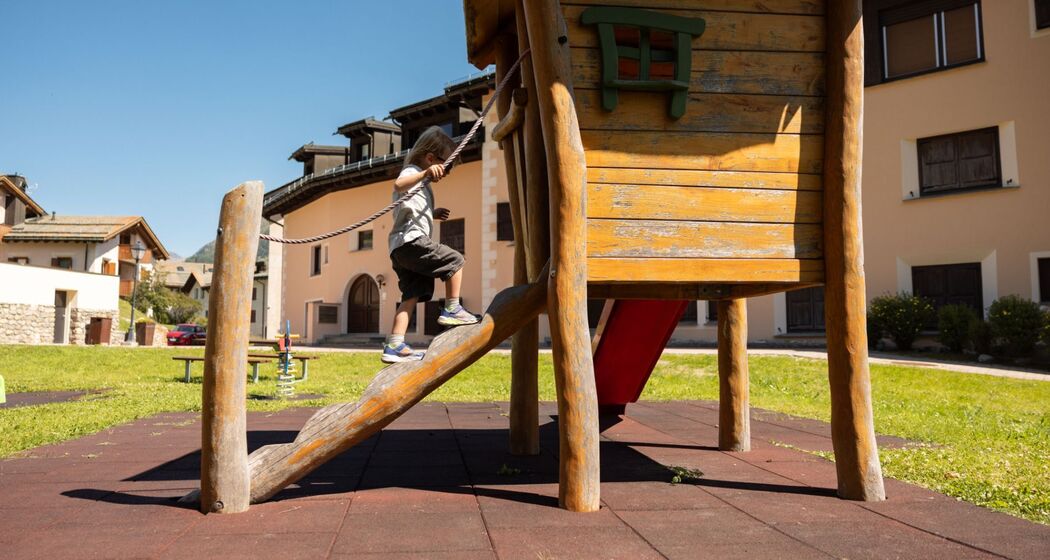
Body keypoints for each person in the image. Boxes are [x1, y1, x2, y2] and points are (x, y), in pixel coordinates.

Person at [382, 126, 480, 363]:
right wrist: (425, 174)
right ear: (430, 158)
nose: (445, 173)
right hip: (411, 241)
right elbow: (399, 185)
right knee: (455, 260)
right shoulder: (414, 171)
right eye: (445, 167)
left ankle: (395, 345)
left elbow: (409, 205)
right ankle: (452, 308)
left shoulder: (422, 182)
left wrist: (431, 213)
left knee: (411, 295)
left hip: (400, 248)